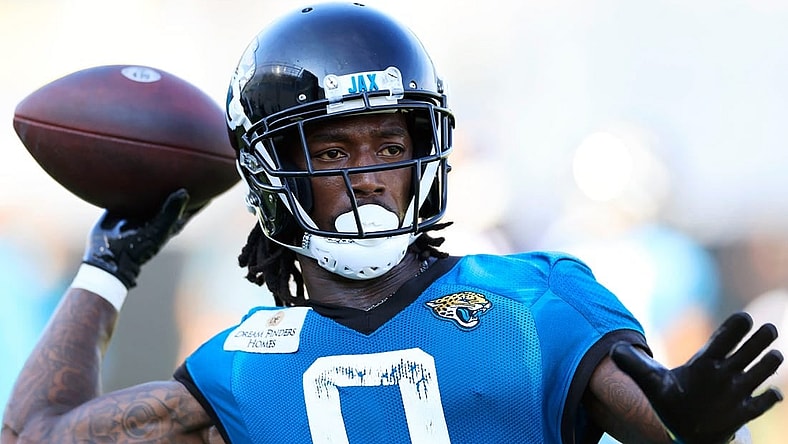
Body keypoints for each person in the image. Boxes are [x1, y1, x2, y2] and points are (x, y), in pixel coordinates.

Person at [1, 3, 783, 443]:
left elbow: (660, 418)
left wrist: (690, 422)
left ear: (425, 156)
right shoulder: (237, 363)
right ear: (273, 172)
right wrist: (110, 266)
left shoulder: (535, 304)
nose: (370, 170)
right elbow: (33, 433)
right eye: (335, 147)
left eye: (390, 143)